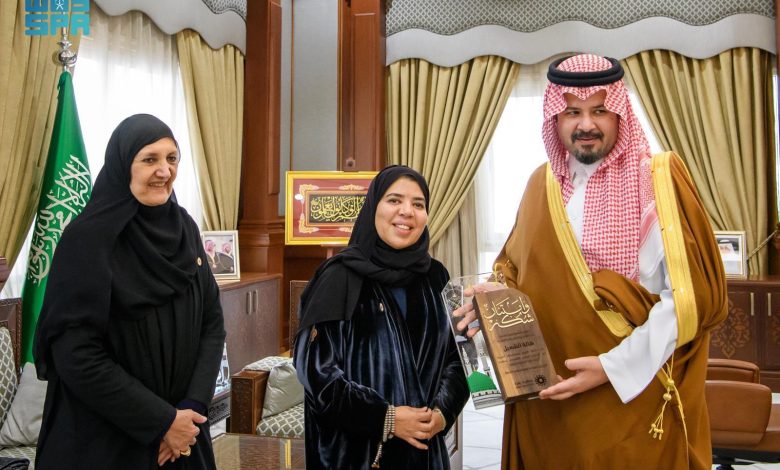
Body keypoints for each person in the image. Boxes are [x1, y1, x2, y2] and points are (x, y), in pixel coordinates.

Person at [458, 54, 728, 469]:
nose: (586, 124)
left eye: (599, 110)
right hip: (549, 399)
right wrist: (495, 296)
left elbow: (689, 299)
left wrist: (611, 368)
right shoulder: (540, 184)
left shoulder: (656, 179)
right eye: (572, 112)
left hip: (630, 396)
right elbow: (515, 268)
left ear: (619, 112)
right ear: (555, 117)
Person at [33, 114, 226, 469]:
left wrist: (191, 410)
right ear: (123, 165)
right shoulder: (86, 241)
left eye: (172, 158)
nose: (164, 171)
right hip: (107, 439)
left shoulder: (185, 227)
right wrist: (161, 422)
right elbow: (76, 354)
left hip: (184, 436)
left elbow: (212, 324)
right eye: (150, 159)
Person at [294, 165, 469, 469]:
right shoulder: (338, 278)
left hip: (425, 454)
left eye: (418, 204)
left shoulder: (437, 277)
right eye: (394, 200)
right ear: (374, 206)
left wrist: (442, 413)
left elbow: (460, 357)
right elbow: (316, 374)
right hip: (358, 456)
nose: (407, 211)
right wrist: (386, 418)